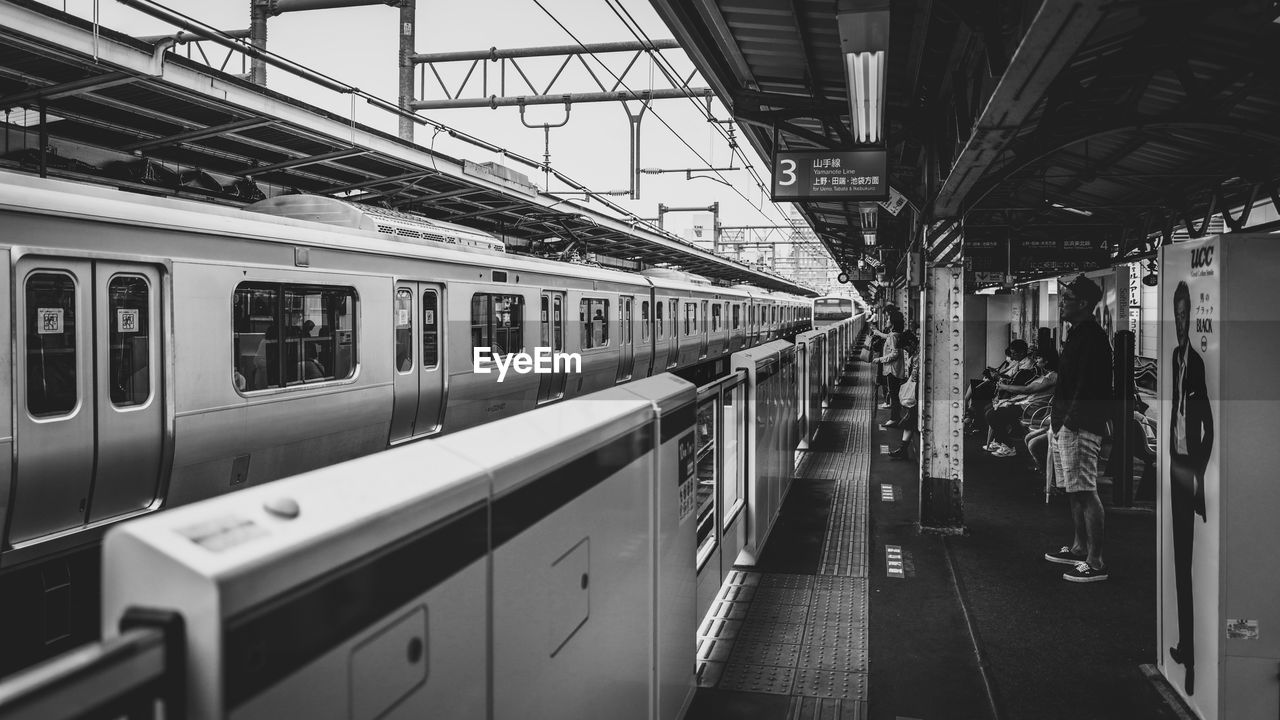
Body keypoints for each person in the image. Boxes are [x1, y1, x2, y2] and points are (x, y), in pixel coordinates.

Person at [1043, 274, 1113, 583]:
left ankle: (1095, 561)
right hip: (1065, 423)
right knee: (1073, 490)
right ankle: (1078, 547)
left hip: (1081, 425)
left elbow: (1087, 385)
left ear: (1083, 304)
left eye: (1067, 299)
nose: (1062, 304)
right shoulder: (1076, 333)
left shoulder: (1092, 337)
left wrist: (1070, 421)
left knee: (1085, 490)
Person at [1167, 280, 1213, 695]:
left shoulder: (1194, 363)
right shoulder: (1176, 356)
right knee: (1181, 562)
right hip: (1175, 463)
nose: (1181, 322)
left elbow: (1208, 427)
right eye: (1177, 315)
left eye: (1185, 315)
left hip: (1189, 469)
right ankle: (1187, 647)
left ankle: (1194, 656)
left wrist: (1198, 477)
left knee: (1188, 561)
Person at [983, 350, 1058, 458]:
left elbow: (1027, 390)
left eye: (1038, 358)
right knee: (993, 409)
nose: (1036, 360)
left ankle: (1008, 446)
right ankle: (1002, 441)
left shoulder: (1053, 376)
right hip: (1027, 404)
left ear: (1046, 361)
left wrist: (1004, 387)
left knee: (992, 414)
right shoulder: (1044, 374)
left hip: (1032, 409)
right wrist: (1011, 401)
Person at [886, 332, 919, 459]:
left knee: (909, 421)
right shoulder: (916, 353)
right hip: (916, 393)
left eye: (906, 348)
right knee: (909, 421)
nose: (906, 351)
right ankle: (903, 449)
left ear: (911, 343)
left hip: (919, 394)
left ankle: (903, 450)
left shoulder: (920, 354)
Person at [871, 307, 905, 424]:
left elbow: (894, 353)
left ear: (893, 322)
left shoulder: (893, 336)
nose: (886, 321)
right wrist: (879, 333)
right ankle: (895, 417)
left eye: (888, 320)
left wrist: (880, 359)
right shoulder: (895, 334)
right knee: (894, 394)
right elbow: (889, 337)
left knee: (894, 394)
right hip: (895, 368)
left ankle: (894, 418)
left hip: (892, 370)